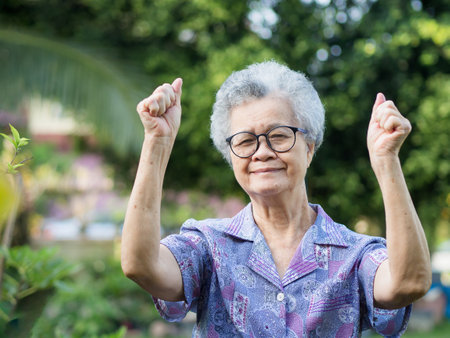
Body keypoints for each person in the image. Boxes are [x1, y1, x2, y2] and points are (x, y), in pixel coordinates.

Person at [121, 61, 431, 337]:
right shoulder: (206, 247)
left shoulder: (355, 255)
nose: (262, 151)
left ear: (309, 147)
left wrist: (386, 159)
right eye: (245, 140)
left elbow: (409, 283)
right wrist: (157, 143)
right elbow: (141, 265)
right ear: (231, 157)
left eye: (279, 135)